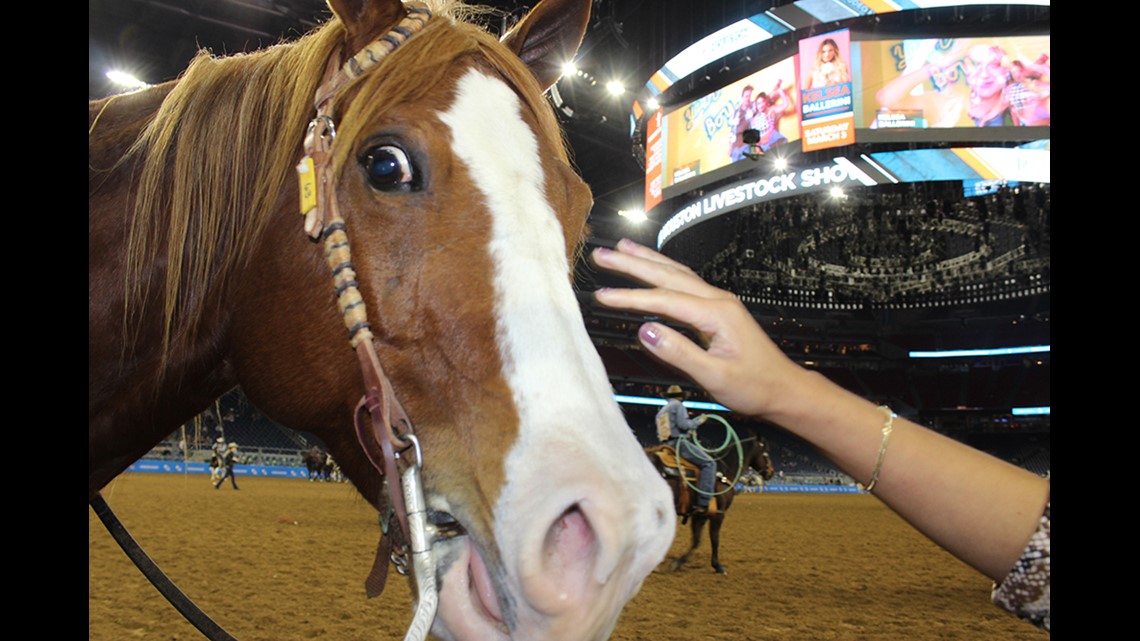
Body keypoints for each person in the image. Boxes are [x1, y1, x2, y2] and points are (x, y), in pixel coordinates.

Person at [591, 239, 1049, 631]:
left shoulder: (663, 410)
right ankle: (705, 497)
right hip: (681, 440)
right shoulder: (679, 409)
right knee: (709, 462)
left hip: (665, 440)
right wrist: (713, 418)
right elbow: (685, 428)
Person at [656, 384, 716, 515]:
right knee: (709, 464)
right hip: (679, 443)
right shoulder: (678, 406)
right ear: (680, 397)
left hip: (665, 445)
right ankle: (703, 502)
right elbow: (684, 425)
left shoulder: (661, 410)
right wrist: (699, 421)